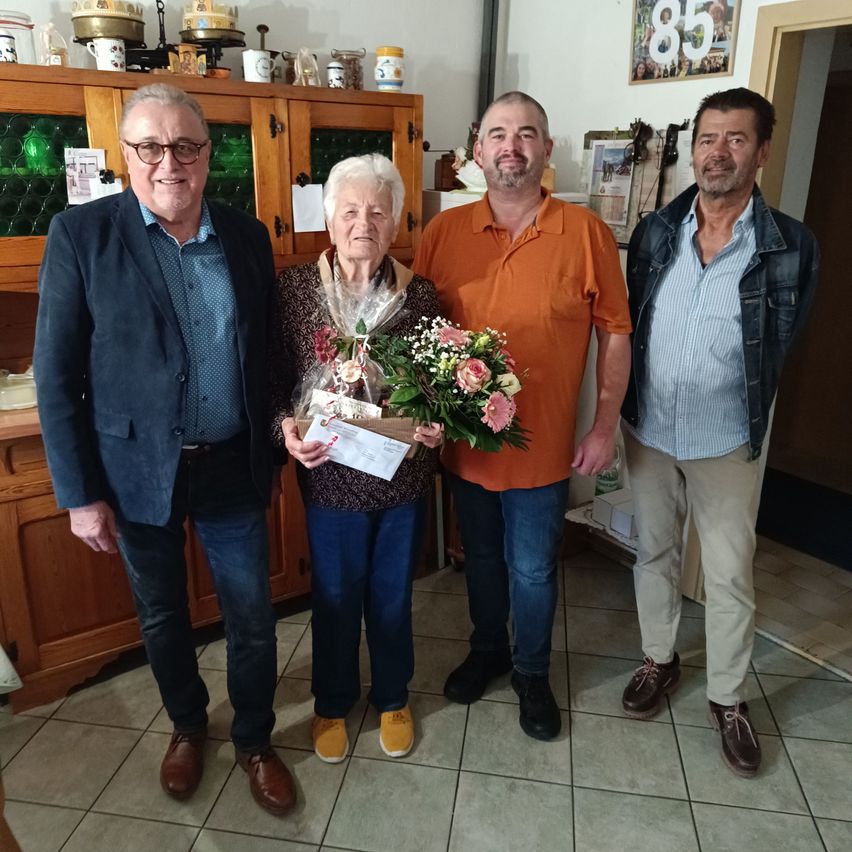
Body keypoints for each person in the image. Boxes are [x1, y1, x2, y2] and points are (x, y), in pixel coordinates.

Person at [33, 83, 295, 815]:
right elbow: (55, 377)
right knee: (162, 616)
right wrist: (79, 494)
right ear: (127, 157)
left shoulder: (245, 236)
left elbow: (267, 357)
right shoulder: (81, 235)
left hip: (232, 466)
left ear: (208, 156)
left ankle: (253, 738)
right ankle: (187, 725)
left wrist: (277, 444)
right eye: (151, 146)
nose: (169, 162)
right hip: (135, 473)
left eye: (185, 146)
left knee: (250, 615)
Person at [414, 92, 632, 741]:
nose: (512, 146)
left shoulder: (586, 233)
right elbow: (418, 329)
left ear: (546, 149)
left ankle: (532, 673)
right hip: (466, 448)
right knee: (479, 558)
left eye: (527, 133)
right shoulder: (443, 234)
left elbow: (615, 333)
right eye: (499, 134)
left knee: (534, 567)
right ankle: (489, 652)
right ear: (477, 151)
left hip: (544, 452)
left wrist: (603, 427)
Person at [620, 88, 820, 777]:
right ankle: (659, 660)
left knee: (730, 574)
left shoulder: (792, 245)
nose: (719, 152)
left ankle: (729, 699)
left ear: (762, 152)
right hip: (648, 428)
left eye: (736, 139)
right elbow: (633, 325)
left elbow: (781, 341)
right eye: (708, 138)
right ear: (694, 148)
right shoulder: (654, 232)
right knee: (653, 555)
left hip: (728, 438)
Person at [269, 154, 443, 763]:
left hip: (401, 479)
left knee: (393, 595)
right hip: (330, 476)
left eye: (377, 210)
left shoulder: (420, 295)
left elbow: (438, 387)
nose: (363, 221)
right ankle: (331, 703)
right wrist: (284, 426)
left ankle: (393, 695)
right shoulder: (294, 290)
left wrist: (436, 425)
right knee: (336, 596)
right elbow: (272, 379)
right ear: (329, 218)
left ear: (395, 223)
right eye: (350, 210)